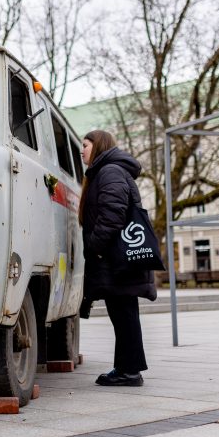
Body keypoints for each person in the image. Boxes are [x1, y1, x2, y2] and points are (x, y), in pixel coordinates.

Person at [78, 130, 157, 387]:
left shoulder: (109, 172)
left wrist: (95, 246)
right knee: (124, 314)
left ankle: (129, 371)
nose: (82, 150)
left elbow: (113, 213)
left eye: (85, 145)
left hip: (115, 259)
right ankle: (128, 368)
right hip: (117, 258)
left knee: (123, 314)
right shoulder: (109, 171)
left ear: (98, 145)